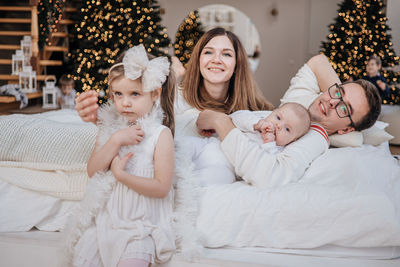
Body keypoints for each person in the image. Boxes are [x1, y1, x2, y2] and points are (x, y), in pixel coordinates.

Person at [196, 54, 381, 188]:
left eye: (344, 108)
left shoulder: (315, 137)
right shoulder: (304, 102)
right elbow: (318, 61)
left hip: (217, 160)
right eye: (339, 92)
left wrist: (221, 123)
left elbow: (270, 176)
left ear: (346, 130)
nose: (332, 102)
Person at [68, 45, 175, 267]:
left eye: (135, 94)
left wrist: (121, 175)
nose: (125, 102)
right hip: (104, 226)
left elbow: (162, 187)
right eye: (118, 94)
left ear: (155, 93)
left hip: (139, 229)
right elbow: (93, 170)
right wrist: (116, 139)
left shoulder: (159, 135)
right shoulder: (110, 130)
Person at [75, 27, 273, 138]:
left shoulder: (257, 111)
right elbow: (134, 118)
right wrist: (97, 118)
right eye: (208, 52)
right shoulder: (174, 99)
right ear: (198, 60)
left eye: (227, 54)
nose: (216, 59)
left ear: (237, 64)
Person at [185, 103, 311, 186]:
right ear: (272, 113)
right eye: (278, 118)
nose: (278, 125)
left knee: (223, 178)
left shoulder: (276, 149)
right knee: (185, 145)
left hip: (226, 167)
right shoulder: (258, 120)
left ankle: (181, 182)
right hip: (208, 146)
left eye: (287, 129)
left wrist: (268, 143)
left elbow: (265, 163)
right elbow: (235, 117)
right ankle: (167, 164)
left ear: (292, 140)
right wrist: (256, 124)